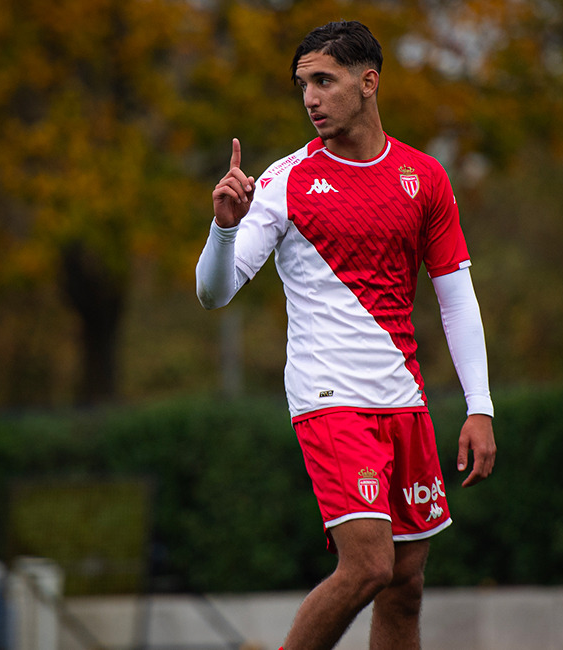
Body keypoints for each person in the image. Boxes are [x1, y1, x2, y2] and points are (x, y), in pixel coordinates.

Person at [195, 20, 496, 650]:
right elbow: (213, 292)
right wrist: (224, 229)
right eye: (303, 83)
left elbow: (456, 297)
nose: (310, 97)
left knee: (405, 585)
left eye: (324, 81)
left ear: (368, 82)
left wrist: (479, 406)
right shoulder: (283, 182)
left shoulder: (424, 177)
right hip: (329, 398)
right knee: (368, 566)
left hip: (403, 398)